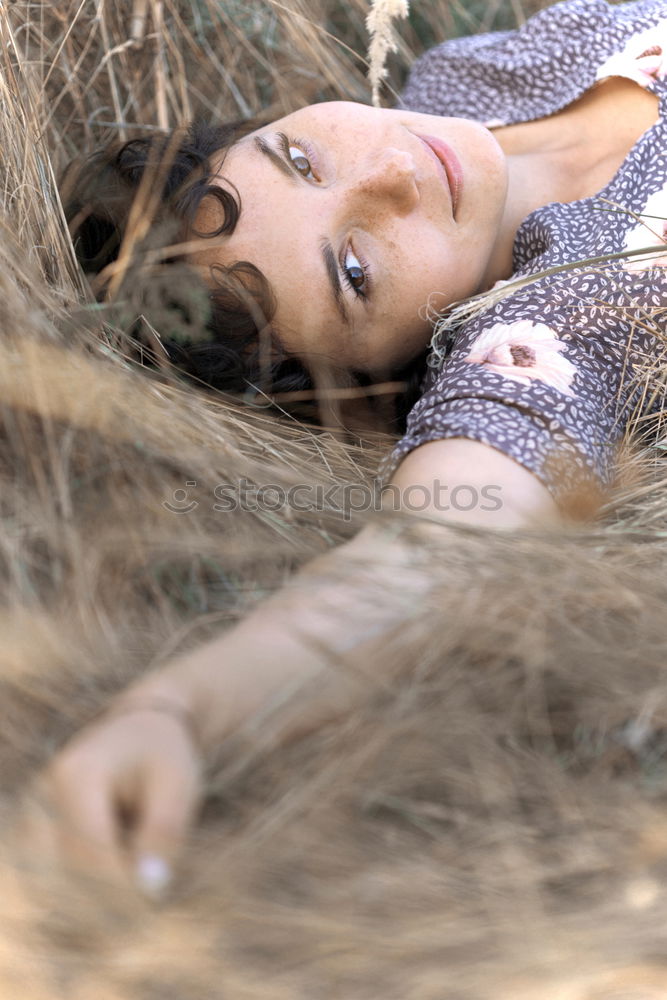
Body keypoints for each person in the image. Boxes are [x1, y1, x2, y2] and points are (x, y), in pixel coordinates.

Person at [32, 0, 667, 898]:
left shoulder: (465, 76)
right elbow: (430, 555)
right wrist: (180, 712)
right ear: (373, 384)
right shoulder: (550, 330)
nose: (392, 174)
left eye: (299, 158)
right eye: (355, 270)